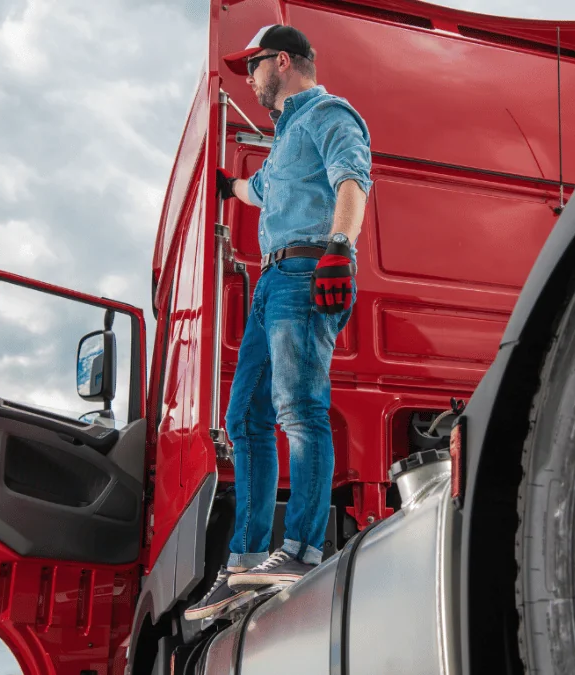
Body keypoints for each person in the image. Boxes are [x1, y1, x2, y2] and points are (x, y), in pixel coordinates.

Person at [185, 24, 372, 621]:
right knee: (244, 417)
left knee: (299, 409)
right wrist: (223, 186)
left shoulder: (328, 115)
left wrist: (340, 247)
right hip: (270, 281)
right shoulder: (284, 137)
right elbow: (258, 189)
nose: (251, 78)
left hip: (308, 273)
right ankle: (245, 560)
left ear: (283, 61)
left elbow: (353, 180)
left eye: (255, 66)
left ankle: (302, 549)